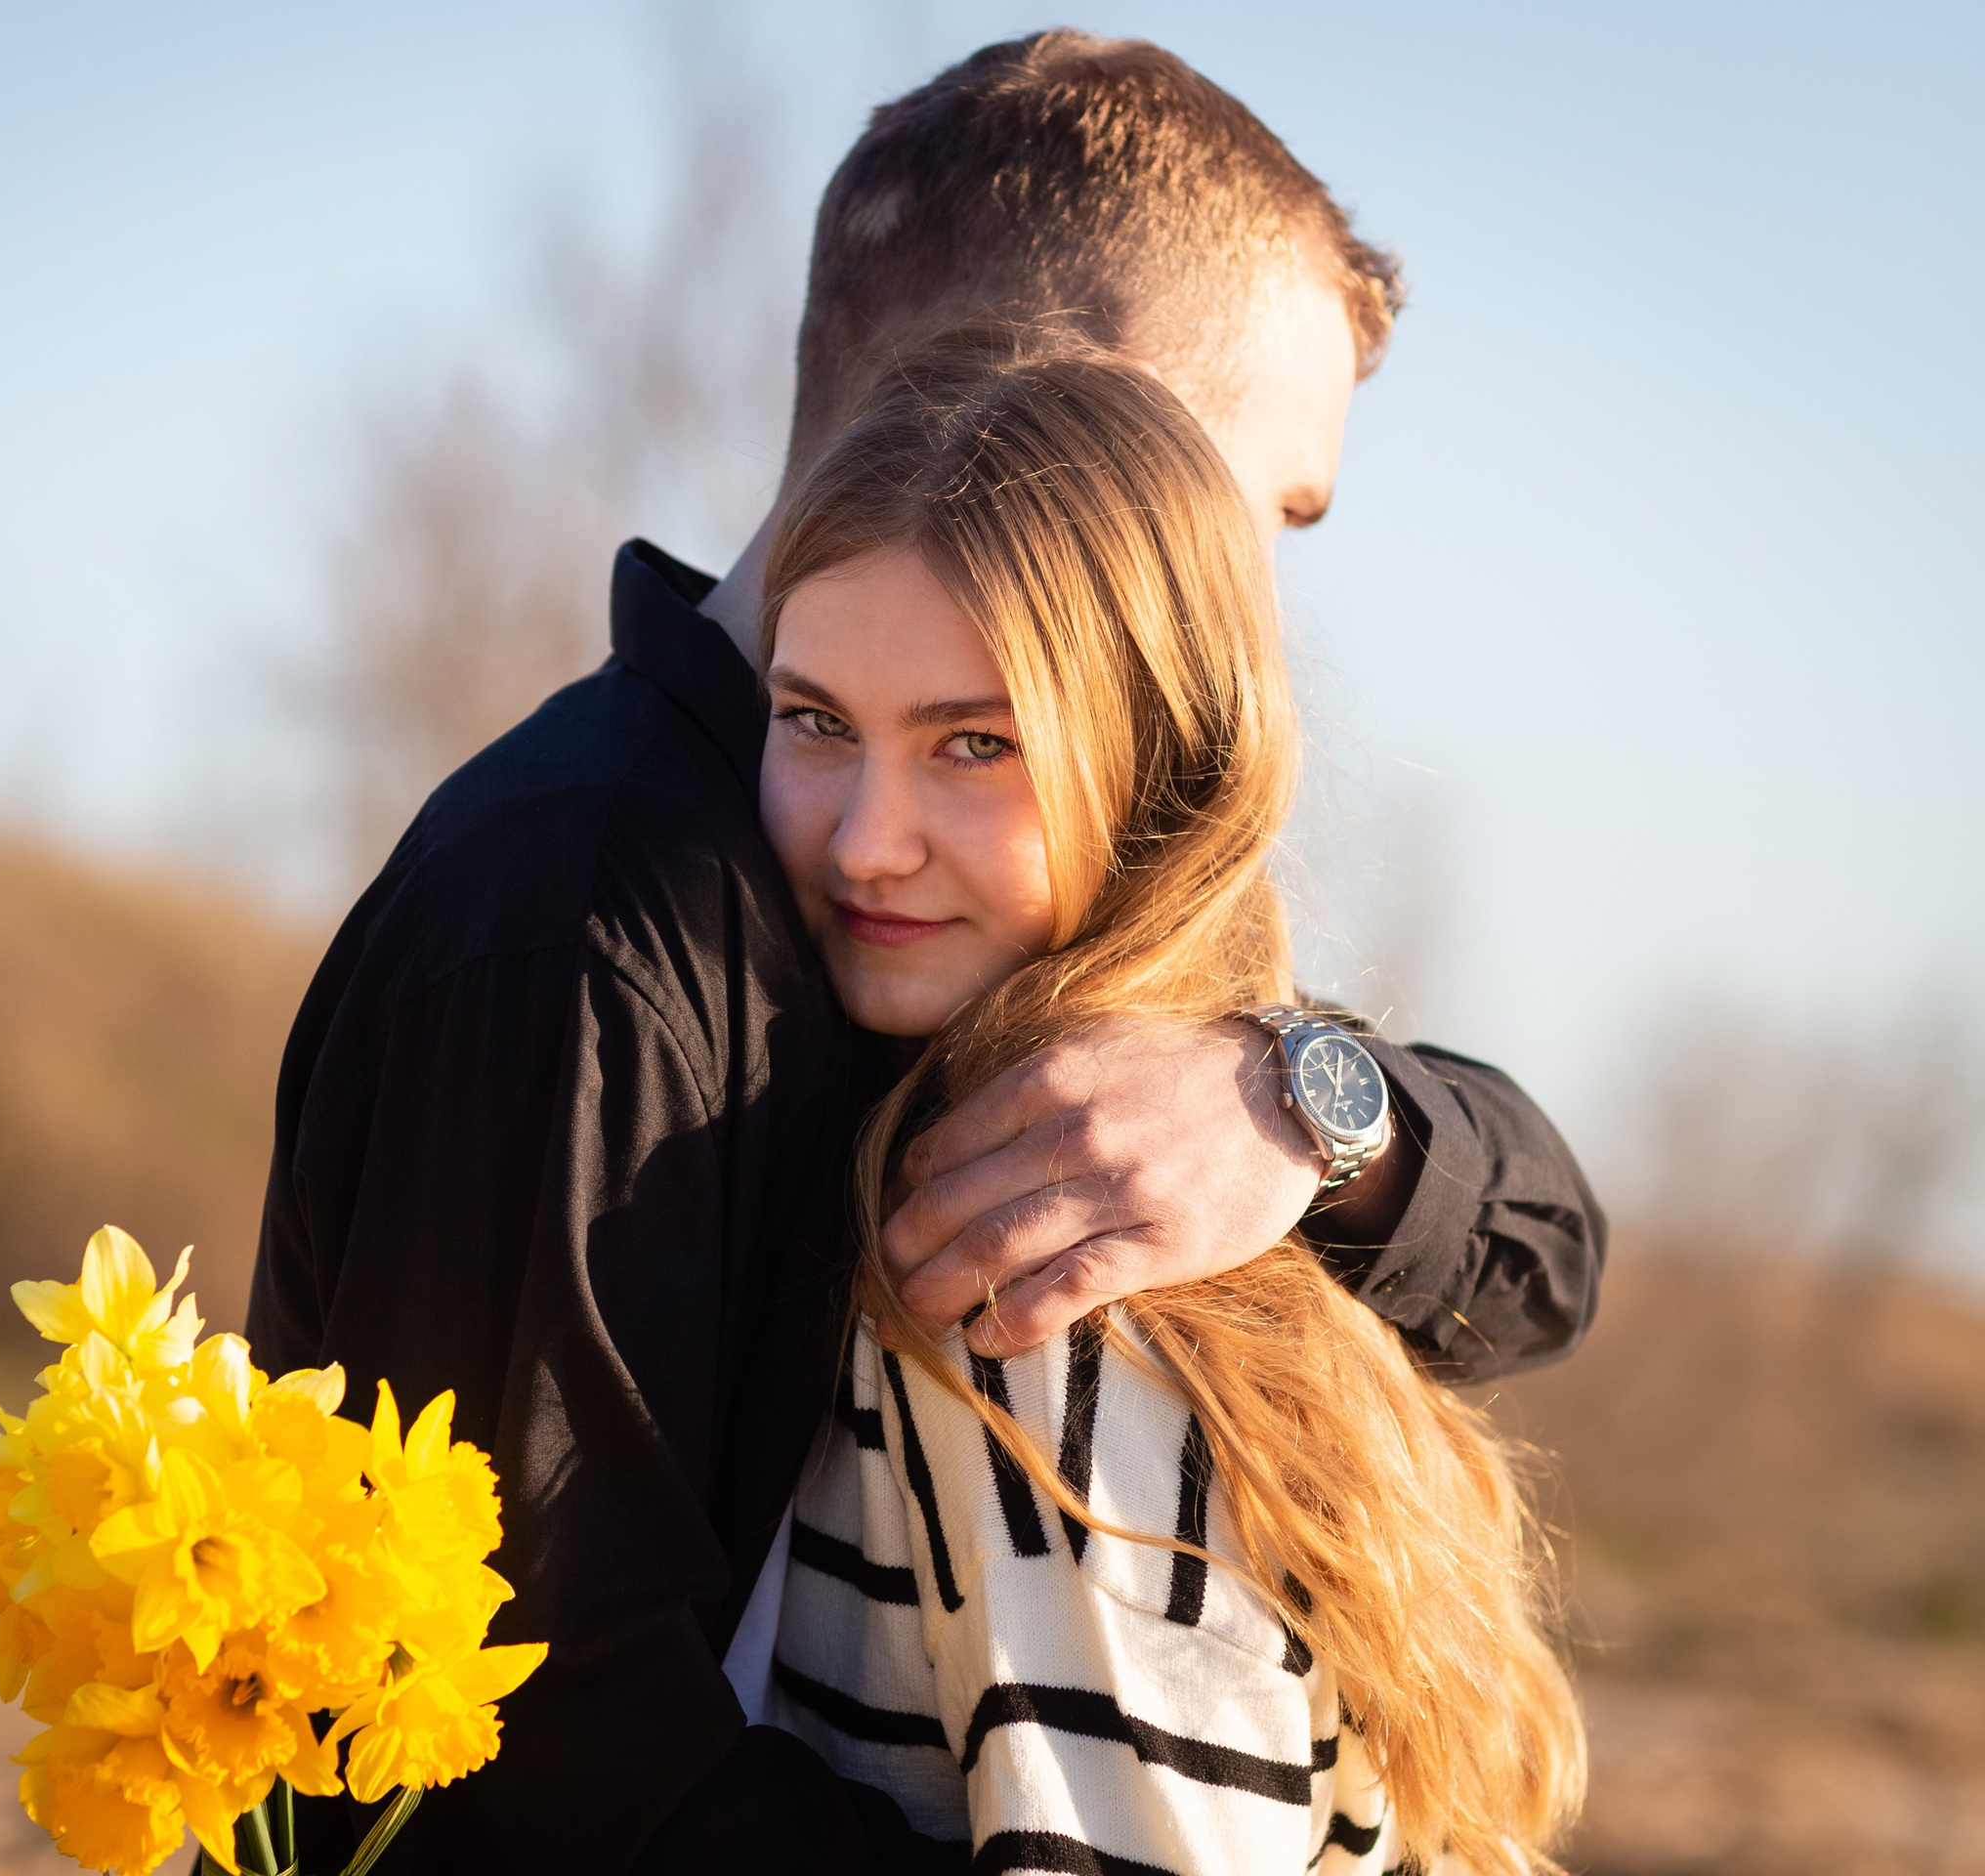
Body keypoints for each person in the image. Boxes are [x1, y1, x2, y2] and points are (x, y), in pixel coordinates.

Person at [249, 31, 1603, 1875]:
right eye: (1242, 511)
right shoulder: (587, 922)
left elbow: (1541, 1260)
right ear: (1044, 435)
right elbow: (537, 1747)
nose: (1250, 606)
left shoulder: (995, 947)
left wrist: (1301, 1105)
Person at [759, 331, 1584, 1876]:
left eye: (976, 743)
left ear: (1165, 775)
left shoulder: (1039, 1286)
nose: (869, 842)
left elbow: (1557, 1251)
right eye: (816, 722)